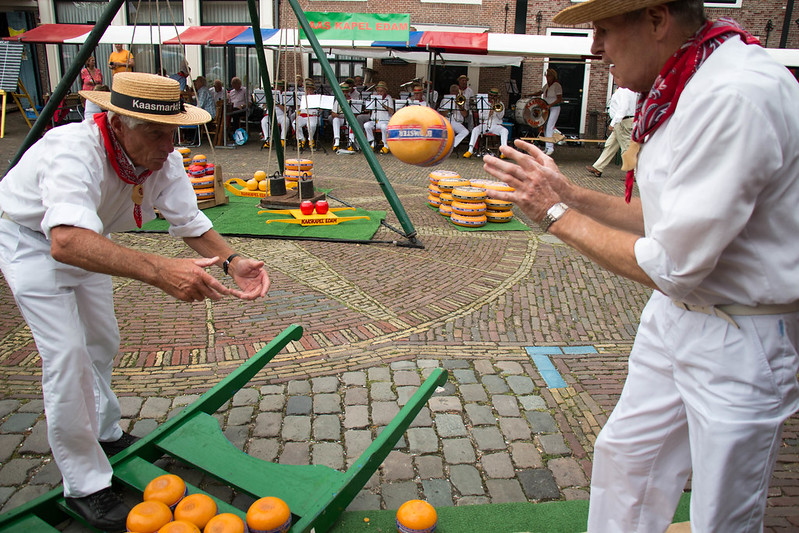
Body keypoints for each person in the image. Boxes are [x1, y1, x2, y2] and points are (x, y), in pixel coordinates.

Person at [482, 1, 799, 531]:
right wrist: (572, 194)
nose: (594, 48)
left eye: (604, 29)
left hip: (742, 332)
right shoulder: (691, 78)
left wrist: (552, 212)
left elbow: (675, 262)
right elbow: (667, 215)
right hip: (680, 316)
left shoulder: (734, 94)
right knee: (627, 457)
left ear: (657, 20)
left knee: (723, 512)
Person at [0, 72, 271, 531]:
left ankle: (104, 434)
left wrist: (232, 260)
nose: (169, 145)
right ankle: (86, 485)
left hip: (90, 239)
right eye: (155, 131)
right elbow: (64, 242)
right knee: (66, 356)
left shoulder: (162, 159)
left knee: (102, 342)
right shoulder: (72, 150)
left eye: (173, 132)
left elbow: (189, 220)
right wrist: (158, 270)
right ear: (118, 122)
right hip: (31, 241)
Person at [585, 86, 638, 177]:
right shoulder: (631, 90)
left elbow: (623, 108)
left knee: (626, 148)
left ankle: (634, 174)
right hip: (624, 121)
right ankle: (598, 167)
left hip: (622, 122)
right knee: (610, 145)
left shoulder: (624, 91)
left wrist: (613, 123)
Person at [463, 88, 507, 159]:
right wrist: (489, 112)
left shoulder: (500, 104)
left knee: (505, 131)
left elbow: (500, 116)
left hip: (496, 125)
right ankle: (470, 150)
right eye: (491, 95)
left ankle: (503, 152)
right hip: (484, 124)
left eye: (495, 96)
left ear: (497, 97)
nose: (492, 97)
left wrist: (495, 109)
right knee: (475, 130)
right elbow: (481, 116)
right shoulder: (483, 103)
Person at [530, 68, 562, 155]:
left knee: (550, 127)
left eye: (549, 76)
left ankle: (550, 148)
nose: (547, 78)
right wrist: (530, 95)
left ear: (553, 76)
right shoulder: (547, 85)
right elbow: (540, 92)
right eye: (546, 76)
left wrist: (550, 105)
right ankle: (547, 147)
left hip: (554, 107)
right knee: (545, 127)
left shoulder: (557, 85)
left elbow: (559, 99)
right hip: (546, 108)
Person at [438, 84, 470, 152]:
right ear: (450, 92)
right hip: (447, 120)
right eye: (453, 91)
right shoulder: (445, 100)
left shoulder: (461, 100)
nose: (454, 93)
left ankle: (452, 145)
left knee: (465, 132)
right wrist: (449, 111)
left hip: (457, 122)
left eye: (456, 91)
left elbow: (465, 115)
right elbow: (440, 113)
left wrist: (460, 106)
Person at [364, 81, 394, 153]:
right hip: (374, 120)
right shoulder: (374, 97)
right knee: (366, 125)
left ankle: (385, 145)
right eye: (378, 91)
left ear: (385, 91)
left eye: (381, 91)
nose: (379, 93)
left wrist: (384, 106)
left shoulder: (388, 98)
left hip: (385, 120)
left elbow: (391, 111)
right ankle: (372, 142)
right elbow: (368, 109)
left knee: (384, 127)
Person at [260, 79, 290, 149]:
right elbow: (263, 106)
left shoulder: (285, 95)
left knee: (286, 120)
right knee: (264, 121)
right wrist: (267, 104)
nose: (276, 88)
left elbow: (286, 109)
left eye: (279, 87)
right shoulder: (269, 93)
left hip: (281, 115)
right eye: (275, 86)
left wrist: (278, 104)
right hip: (270, 114)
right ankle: (268, 139)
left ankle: (282, 139)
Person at [295, 79, 320, 150]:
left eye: (310, 90)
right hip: (303, 115)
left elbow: (319, 109)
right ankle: (301, 139)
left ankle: (310, 139)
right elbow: (298, 108)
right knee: (296, 123)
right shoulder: (301, 97)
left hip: (312, 115)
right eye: (307, 89)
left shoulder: (316, 97)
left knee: (311, 125)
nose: (309, 91)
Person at [330, 81, 356, 152]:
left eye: (346, 92)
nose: (345, 93)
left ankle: (350, 143)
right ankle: (337, 142)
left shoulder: (352, 101)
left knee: (352, 123)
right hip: (340, 119)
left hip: (348, 120)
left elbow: (356, 113)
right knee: (335, 120)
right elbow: (333, 114)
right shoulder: (337, 101)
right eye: (343, 92)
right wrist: (339, 113)